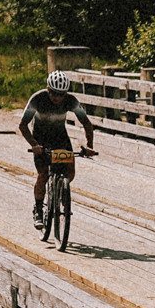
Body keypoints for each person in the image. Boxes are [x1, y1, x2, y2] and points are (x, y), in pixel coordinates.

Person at [20, 71, 99, 219]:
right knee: (43, 174)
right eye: (54, 93)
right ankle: (38, 209)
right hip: (40, 139)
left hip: (60, 137)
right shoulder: (37, 99)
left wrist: (89, 146)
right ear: (48, 89)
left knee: (70, 171)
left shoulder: (71, 101)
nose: (58, 98)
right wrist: (34, 145)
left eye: (61, 94)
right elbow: (23, 125)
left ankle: (61, 190)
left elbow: (87, 123)